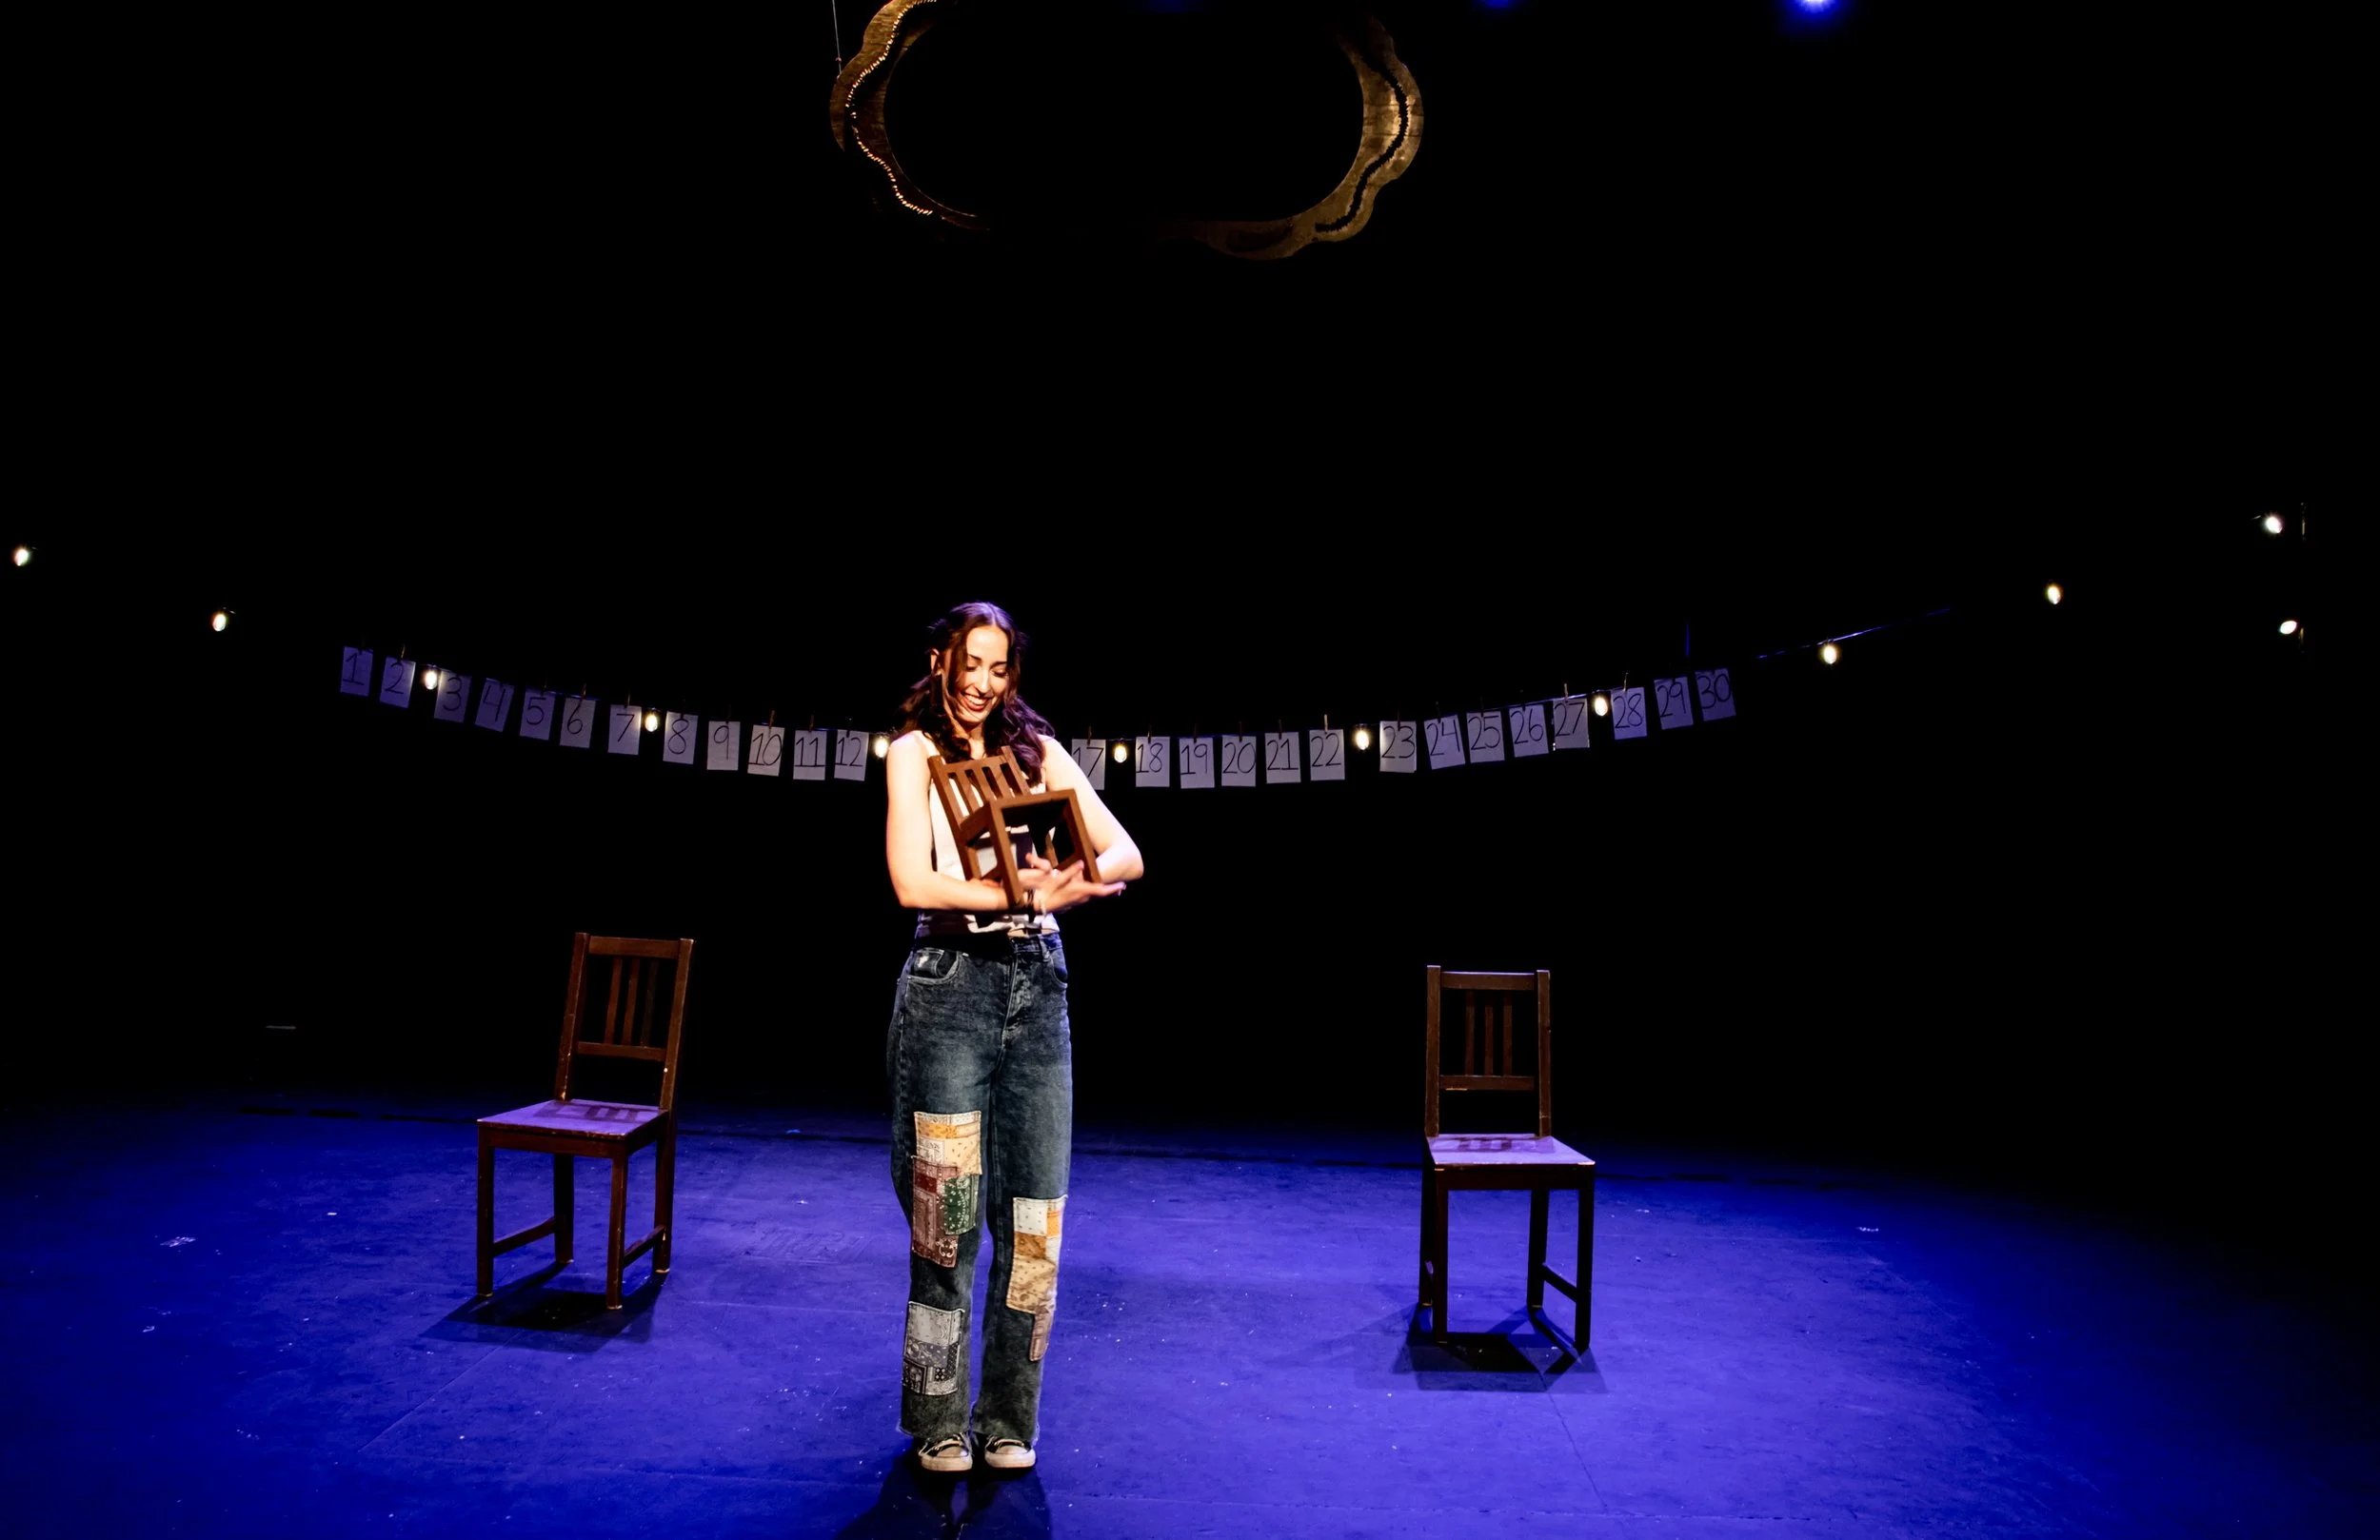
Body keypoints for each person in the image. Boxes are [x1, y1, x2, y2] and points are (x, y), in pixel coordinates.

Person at [880, 601, 1141, 1475]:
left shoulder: (1038, 754)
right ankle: (939, 1418)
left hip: (1040, 993)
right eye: (969, 665)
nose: (981, 685)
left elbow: (1126, 856)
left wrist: (1068, 879)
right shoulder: (913, 753)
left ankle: (1008, 1418)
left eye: (998, 669)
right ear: (940, 661)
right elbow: (912, 882)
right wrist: (1021, 896)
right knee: (944, 1222)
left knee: (1035, 1225)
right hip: (950, 988)